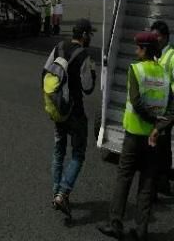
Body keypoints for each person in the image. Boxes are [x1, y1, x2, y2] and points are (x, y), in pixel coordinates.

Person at [98, 32, 171, 241]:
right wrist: (159, 126)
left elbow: (136, 102)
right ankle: (141, 230)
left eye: (138, 47)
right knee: (147, 183)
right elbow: (171, 108)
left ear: (145, 49)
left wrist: (150, 119)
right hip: (154, 138)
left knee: (124, 177)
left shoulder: (136, 70)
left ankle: (115, 223)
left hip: (134, 135)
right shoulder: (164, 74)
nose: (136, 50)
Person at [43, 18, 96, 217]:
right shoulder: (84, 55)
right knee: (78, 153)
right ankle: (63, 194)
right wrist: (92, 71)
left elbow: (46, 71)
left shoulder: (58, 47)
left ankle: (56, 193)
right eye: (90, 34)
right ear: (84, 35)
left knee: (59, 151)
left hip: (59, 109)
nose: (91, 38)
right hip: (75, 112)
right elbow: (88, 87)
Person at [150, 20, 174, 195]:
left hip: (167, 107)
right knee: (159, 145)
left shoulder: (171, 56)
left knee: (162, 145)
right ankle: (161, 181)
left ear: (165, 37)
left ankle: (162, 181)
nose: (154, 39)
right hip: (156, 106)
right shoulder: (155, 54)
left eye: (157, 36)